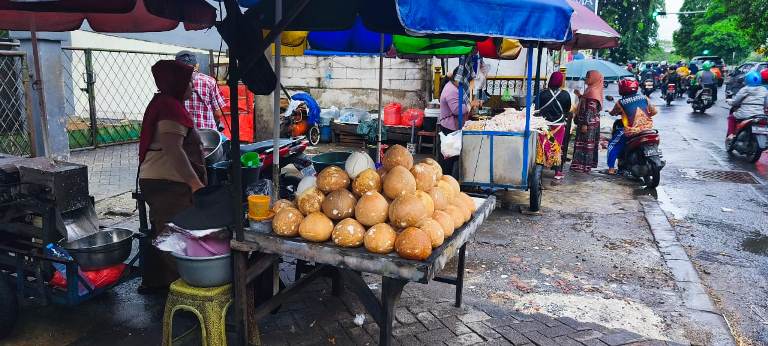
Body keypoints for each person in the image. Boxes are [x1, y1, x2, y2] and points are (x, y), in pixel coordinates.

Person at [137, 60, 206, 293]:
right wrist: (194, 183)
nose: (193, 87)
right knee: (175, 236)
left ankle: (157, 283)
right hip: (167, 184)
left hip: (160, 181)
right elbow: (173, 149)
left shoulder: (165, 103)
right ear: (177, 83)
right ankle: (184, 289)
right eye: (189, 83)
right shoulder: (169, 108)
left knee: (163, 229)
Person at [606, 78, 658, 174]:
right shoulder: (644, 97)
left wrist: (610, 112)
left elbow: (613, 113)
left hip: (631, 131)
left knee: (613, 144)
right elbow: (654, 112)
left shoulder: (620, 102)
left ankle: (611, 169)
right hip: (648, 129)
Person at [439, 66, 478, 176]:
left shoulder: (454, 87)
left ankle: (451, 178)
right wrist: (471, 104)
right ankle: (446, 179)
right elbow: (457, 110)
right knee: (449, 157)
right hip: (449, 128)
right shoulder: (451, 90)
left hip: (453, 126)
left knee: (453, 156)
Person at [175, 51, 227, 130]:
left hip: (182, 132)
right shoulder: (209, 81)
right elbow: (218, 114)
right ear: (197, 65)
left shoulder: (172, 83)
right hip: (207, 133)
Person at [535, 71, 571, 179]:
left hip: (544, 124)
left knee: (543, 145)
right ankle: (557, 172)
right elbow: (567, 109)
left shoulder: (542, 93)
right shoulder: (565, 95)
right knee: (556, 146)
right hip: (558, 126)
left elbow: (536, 107)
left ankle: (540, 167)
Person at [570, 70, 604, 173]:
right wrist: (579, 95)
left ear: (594, 79)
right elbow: (585, 101)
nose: (586, 79)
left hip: (588, 124)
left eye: (588, 77)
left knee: (585, 145)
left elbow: (590, 109)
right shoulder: (591, 90)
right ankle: (581, 165)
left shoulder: (593, 92)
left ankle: (582, 166)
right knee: (584, 144)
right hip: (587, 122)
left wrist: (585, 124)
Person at [727, 71, 768, 139]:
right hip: (759, 115)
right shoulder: (764, 90)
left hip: (744, 114)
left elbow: (735, 102)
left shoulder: (745, 89)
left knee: (731, 118)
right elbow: (766, 104)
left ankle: (731, 135)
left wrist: (729, 102)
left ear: (747, 80)